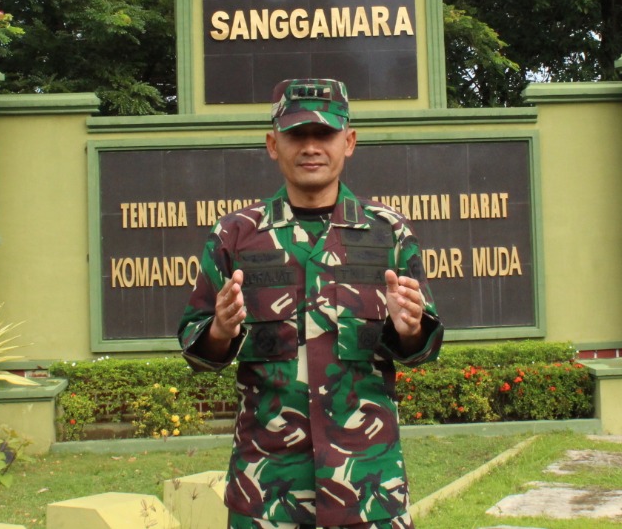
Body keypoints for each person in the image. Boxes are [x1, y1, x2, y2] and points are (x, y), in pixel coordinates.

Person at [179, 78, 443, 529]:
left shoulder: (389, 232)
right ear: (272, 144)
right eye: (296, 135)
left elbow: (423, 346)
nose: (310, 147)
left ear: (349, 141)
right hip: (266, 490)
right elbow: (196, 344)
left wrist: (411, 328)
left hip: (367, 486)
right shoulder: (235, 235)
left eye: (324, 134)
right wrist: (220, 332)